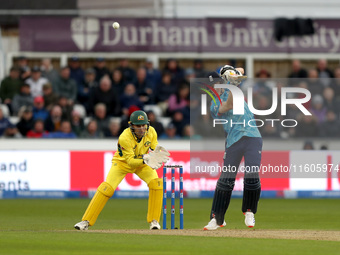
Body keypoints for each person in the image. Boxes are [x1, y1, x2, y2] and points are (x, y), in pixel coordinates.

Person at [74, 110, 170, 230]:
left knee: (157, 184)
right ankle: (85, 221)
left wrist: (157, 154)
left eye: (143, 125)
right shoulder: (125, 137)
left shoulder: (151, 131)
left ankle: (154, 221)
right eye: (138, 126)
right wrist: (146, 159)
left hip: (142, 164)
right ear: (131, 126)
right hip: (122, 163)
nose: (141, 128)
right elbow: (130, 161)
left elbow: (154, 147)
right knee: (106, 188)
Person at [203, 66, 262, 230]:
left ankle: (249, 211)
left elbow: (239, 69)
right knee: (226, 180)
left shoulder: (232, 88)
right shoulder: (214, 105)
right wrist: (233, 84)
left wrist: (234, 75)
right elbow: (227, 106)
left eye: (218, 83)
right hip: (233, 140)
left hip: (252, 135)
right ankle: (217, 219)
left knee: (252, 173)